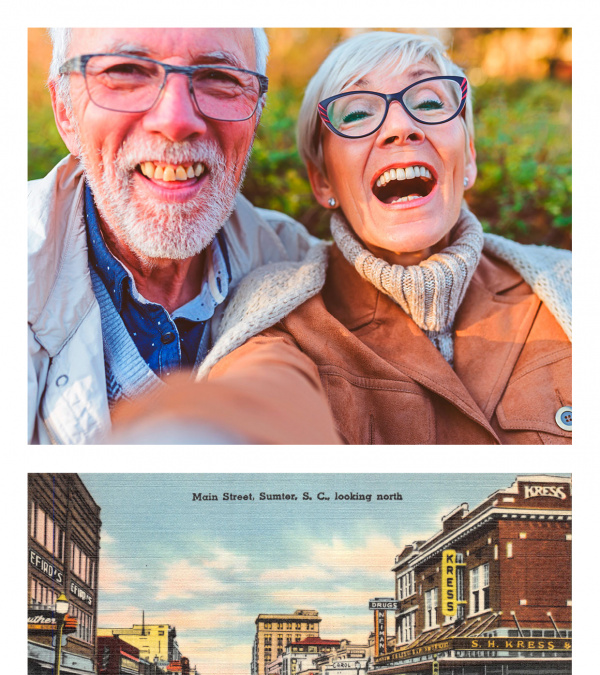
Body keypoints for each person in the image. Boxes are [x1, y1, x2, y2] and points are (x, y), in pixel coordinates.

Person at [202, 30, 571, 444]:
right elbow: (254, 406)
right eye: (357, 113)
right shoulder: (278, 319)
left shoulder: (569, 287)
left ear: (468, 157)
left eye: (430, 103)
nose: (400, 127)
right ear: (322, 181)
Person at [28, 27, 336, 445]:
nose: (175, 121)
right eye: (126, 72)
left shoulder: (300, 266)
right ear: (65, 110)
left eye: (219, 78)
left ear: (257, 112)